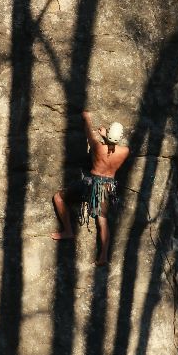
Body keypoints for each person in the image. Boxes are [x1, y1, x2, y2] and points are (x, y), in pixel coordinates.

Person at [52, 110, 130, 266]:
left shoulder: (97, 147)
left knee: (58, 197)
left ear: (108, 134)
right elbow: (111, 149)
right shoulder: (125, 152)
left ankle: (68, 230)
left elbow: (88, 134)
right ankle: (103, 257)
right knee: (103, 221)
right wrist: (106, 137)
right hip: (108, 186)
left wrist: (87, 118)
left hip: (91, 184)